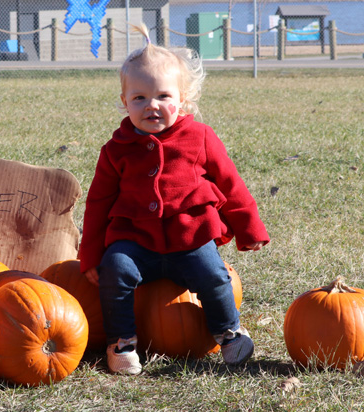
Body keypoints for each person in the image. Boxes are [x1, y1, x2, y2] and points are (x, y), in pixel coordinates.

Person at [79, 23, 270, 375]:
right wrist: (91, 254)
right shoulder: (115, 150)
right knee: (115, 269)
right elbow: (98, 204)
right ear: (125, 102)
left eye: (163, 96)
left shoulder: (200, 137)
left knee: (214, 273)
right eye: (139, 98)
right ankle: (121, 342)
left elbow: (230, 185)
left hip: (190, 236)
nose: (152, 105)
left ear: (182, 100)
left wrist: (249, 228)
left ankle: (228, 332)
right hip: (136, 241)